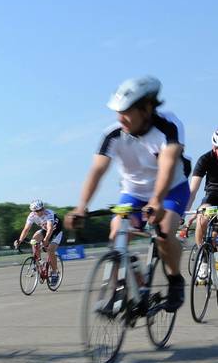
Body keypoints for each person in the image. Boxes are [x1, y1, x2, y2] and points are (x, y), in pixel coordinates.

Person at [65, 75, 190, 310]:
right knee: (116, 236)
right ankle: (119, 289)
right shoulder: (112, 134)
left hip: (171, 189)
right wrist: (81, 206)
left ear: (147, 109)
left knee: (163, 233)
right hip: (133, 191)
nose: (119, 118)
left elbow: (167, 165)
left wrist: (156, 201)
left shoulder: (169, 126)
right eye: (117, 112)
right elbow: (97, 171)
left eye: (126, 111)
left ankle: (175, 281)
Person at [186, 129, 218, 278]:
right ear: (214, 147)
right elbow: (193, 191)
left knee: (215, 235)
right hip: (212, 195)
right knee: (202, 218)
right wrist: (184, 212)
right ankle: (203, 258)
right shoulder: (204, 159)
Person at [14, 199, 62, 286]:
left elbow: (50, 228)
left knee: (50, 250)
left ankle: (55, 273)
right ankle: (39, 262)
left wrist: (46, 240)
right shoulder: (31, 216)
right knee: (34, 240)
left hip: (56, 231)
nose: (40, 212)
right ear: (33, 211)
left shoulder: (49, 213)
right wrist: (19, 240)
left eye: (41, 209)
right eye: (37, 211)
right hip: (45, 230)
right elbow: (26, 229)